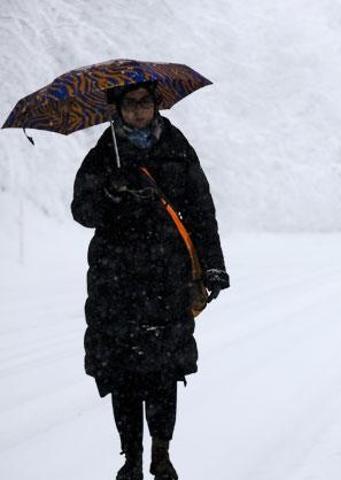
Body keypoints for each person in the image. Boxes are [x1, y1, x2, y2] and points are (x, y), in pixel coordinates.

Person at [71, 81, 230, 480]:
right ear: (118, 109)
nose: (138, 111)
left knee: (163, 372)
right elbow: (81, 210)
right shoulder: (104, 155)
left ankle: (161, 453)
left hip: (166, 277)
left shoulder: (177, 150)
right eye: (130, 104)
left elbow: (201, 211)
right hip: (115, 280)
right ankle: (131, 457)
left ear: (157, 105)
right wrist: (112, 192)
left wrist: (214, 264)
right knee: (121, 371)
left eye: (144, 103)